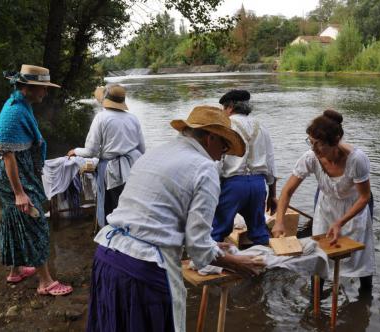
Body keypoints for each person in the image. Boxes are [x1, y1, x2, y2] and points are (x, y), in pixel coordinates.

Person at [87, 106, 266, 332]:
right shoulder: (204, 168)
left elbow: (155, 216)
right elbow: (198, 249)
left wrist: (211, 245)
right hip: (143, 270)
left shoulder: (154, 153)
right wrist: (237, 263)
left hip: (107, 257)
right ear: (210, 138)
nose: (225, 152)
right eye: (225, 145)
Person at [0, 64, 72, 296]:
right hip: (11, 177)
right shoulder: (15, 111)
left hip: (14, 173)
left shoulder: (21, 105)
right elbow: (5, 152)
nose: (45, 92)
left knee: (15, 218)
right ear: (28, 88)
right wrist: (19, 192)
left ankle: (16, 271)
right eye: (42, 88)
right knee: (36, 223)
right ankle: (46, 282)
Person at [272, 109, 375, 293]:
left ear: (335, 141)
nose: (313, 149)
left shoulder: (357, 160)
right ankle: (315, 299)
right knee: (318, 256)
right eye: (311, 143)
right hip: (325, 208)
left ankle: (365, 296)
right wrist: (279, 221)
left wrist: (340, 222)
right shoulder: (311, 158)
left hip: (353, 210)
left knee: (359, 257)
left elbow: (364, 197)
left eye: (319, 144)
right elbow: (287, 191)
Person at [67, 84, 145, 227]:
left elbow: (91, 151)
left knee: (111, 206)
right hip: (134, 166)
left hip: (112, 169)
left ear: (106, 100)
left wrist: (75, 151)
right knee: (130, 204)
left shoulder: (101, 118)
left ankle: (111, 237)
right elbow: (142, 149)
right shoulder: (133, 118)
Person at [211, 89, 277, 245]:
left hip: (233, 185)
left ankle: (209, 265)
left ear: (230, 107)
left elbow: (217, 162)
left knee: (217, 229)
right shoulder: (261, 127)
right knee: (259, 230)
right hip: (258, 185)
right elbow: (271, 162)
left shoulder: (225, 126)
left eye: (223, 109)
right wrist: (272, 195)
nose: (223, 113)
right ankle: (265, 264)